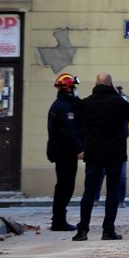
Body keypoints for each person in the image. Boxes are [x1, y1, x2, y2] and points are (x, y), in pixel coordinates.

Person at [74, 73, 129, 241]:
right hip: (114, 153)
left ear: (95, 83)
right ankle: (108, 230)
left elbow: (78, 127)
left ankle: (83, 230)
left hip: (93, 153)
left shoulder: (85, 103)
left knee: (89, 192)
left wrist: (81, 148)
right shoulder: (118, 102)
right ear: (111, 85)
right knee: (112, 191)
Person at [47, 73, 83, 231]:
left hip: (62, 151)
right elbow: (69, 131)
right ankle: (58, 221)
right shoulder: (64, 107)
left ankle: (59, 219)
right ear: (69, 88)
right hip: (64, 152)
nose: (76, 90)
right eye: (74, 87)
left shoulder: (65, 104)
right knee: (65, 186)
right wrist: (79, 148)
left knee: (64, 185)